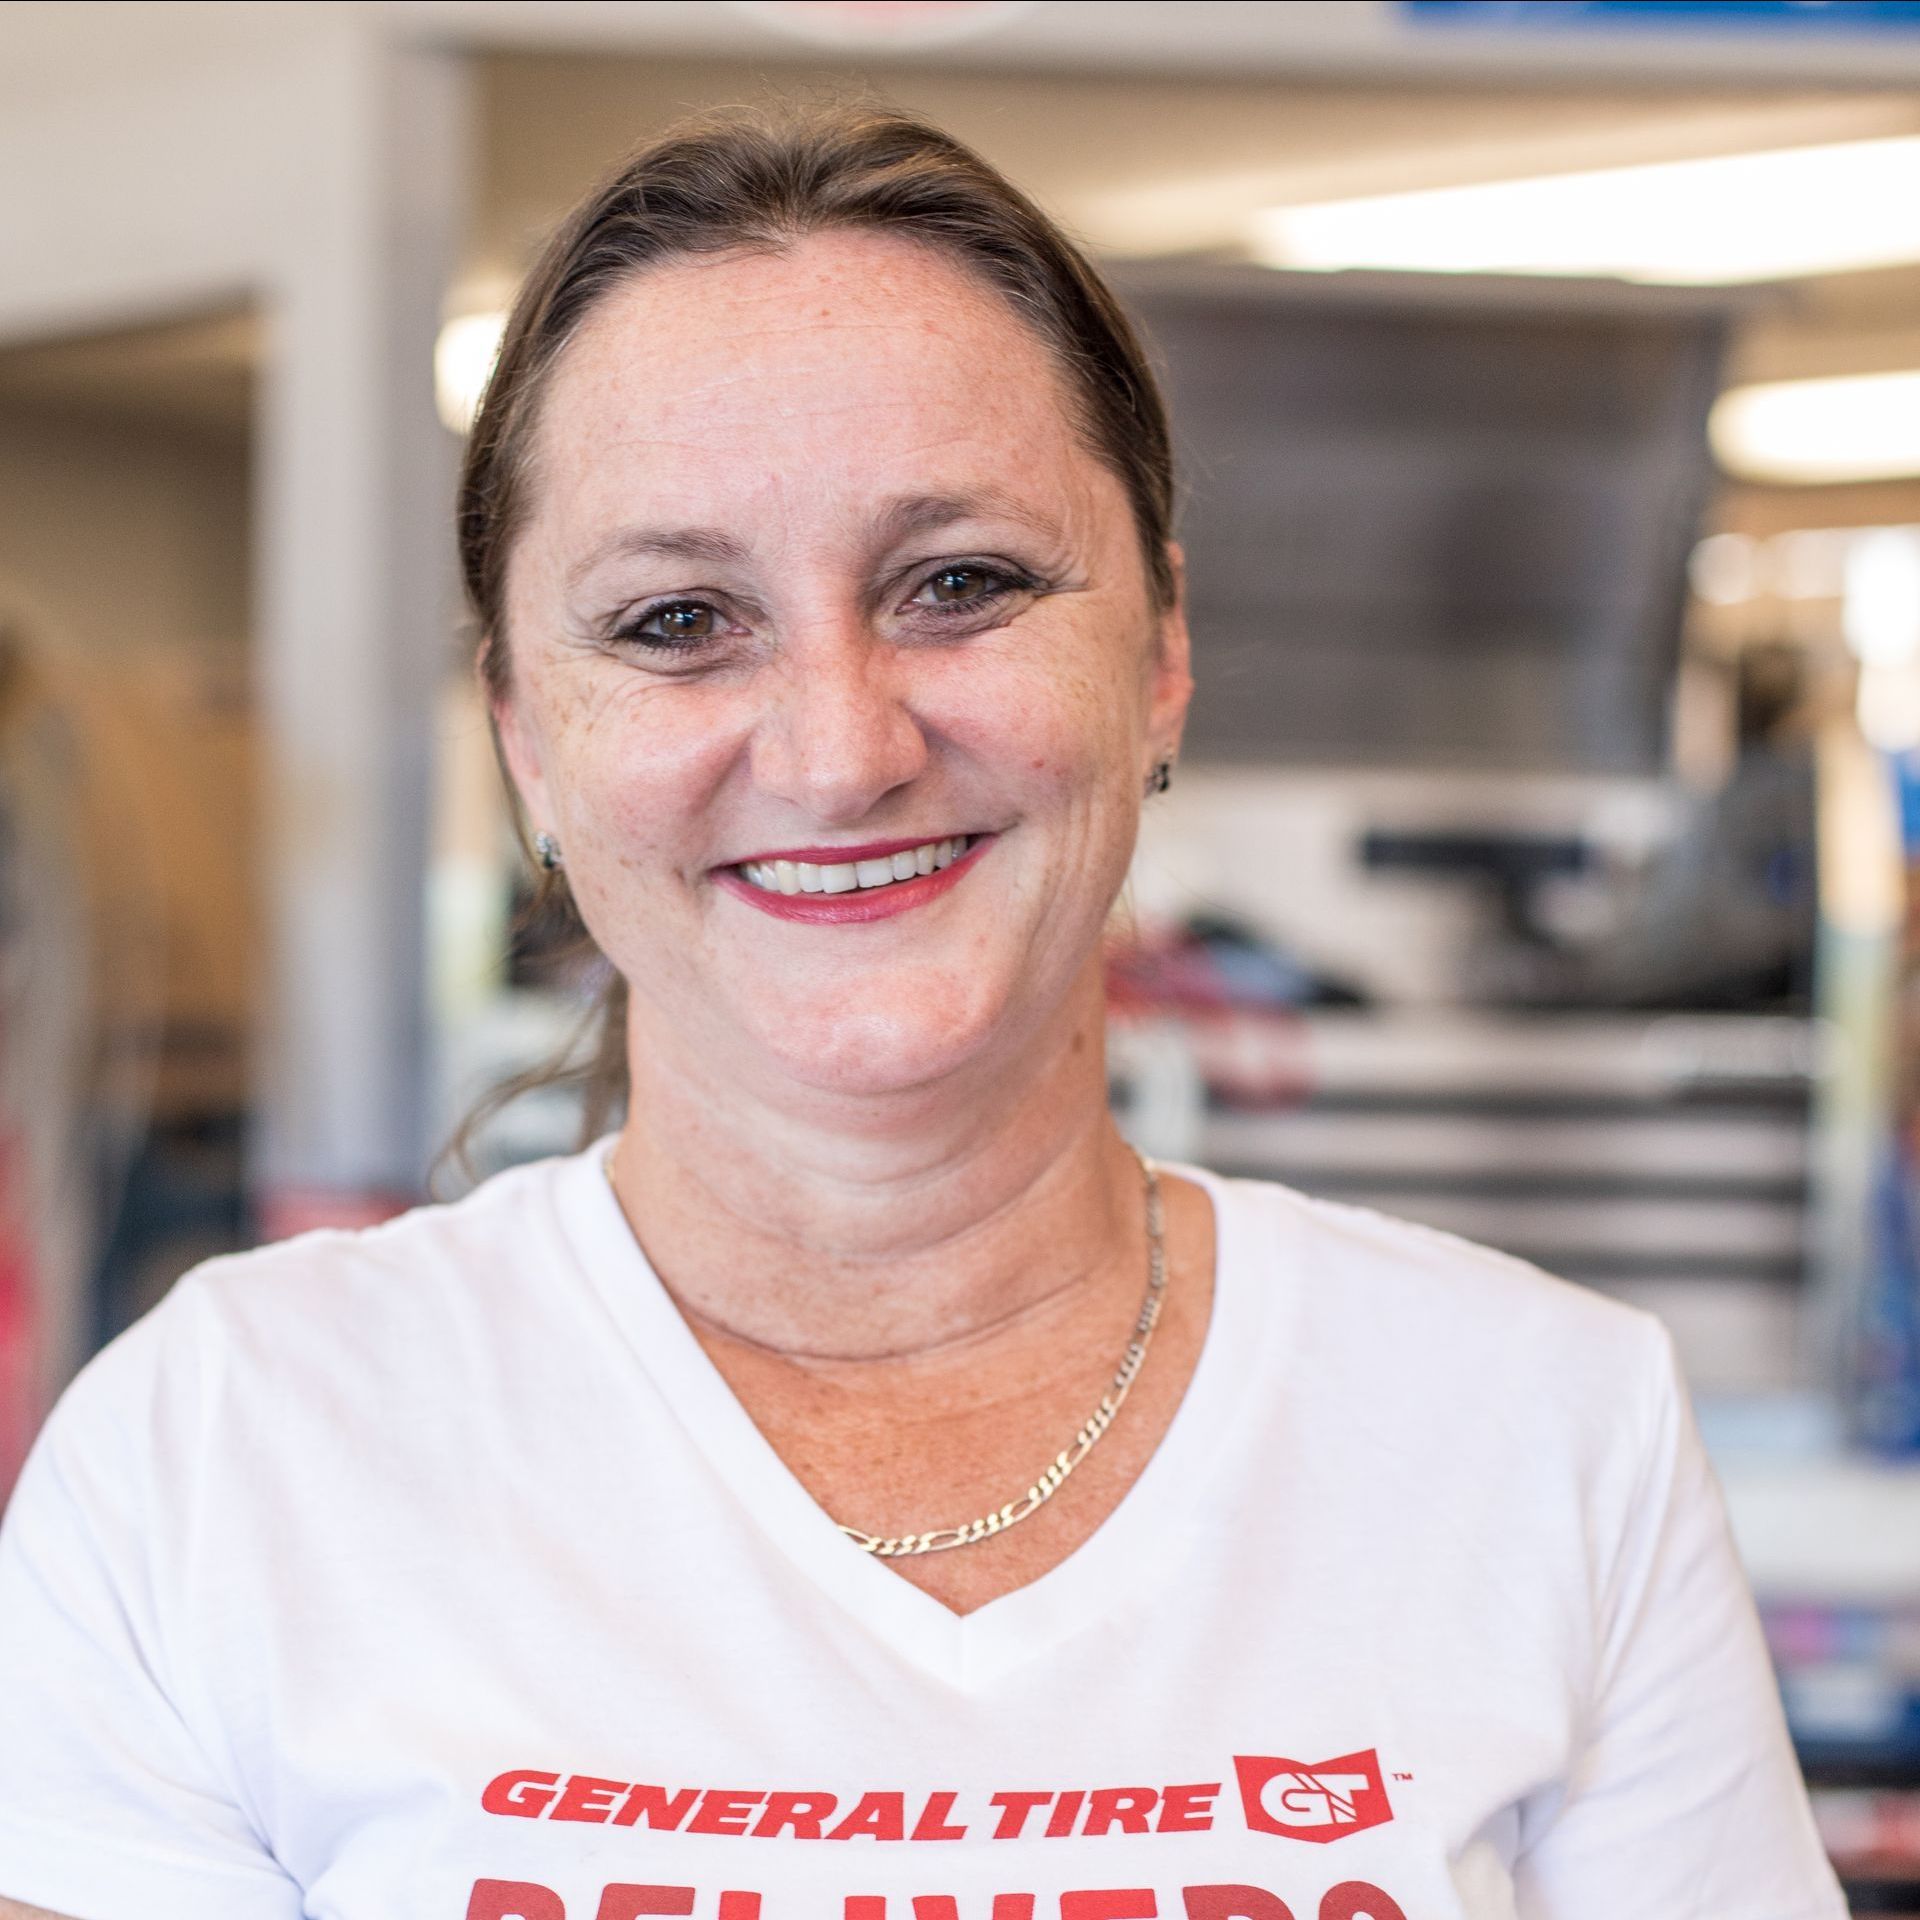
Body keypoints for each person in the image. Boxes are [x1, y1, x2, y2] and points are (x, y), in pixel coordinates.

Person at [0, 106, 1844, 1920]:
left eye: (960, 585)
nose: (840, 749)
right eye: (675, 620)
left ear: (1162, 655)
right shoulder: (220, 1450)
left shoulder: (1545, 1428)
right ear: (526, 741)